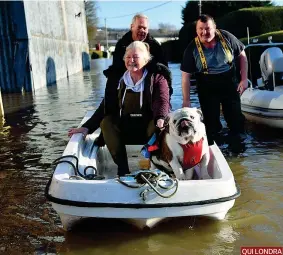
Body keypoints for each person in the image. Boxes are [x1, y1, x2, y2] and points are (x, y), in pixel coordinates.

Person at [68, 41, 171, 176]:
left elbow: (162, 101)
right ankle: (122, 168)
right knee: (107, 122)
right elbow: (105, 106)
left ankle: (155, 164)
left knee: (158, 125)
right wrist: (86, 128)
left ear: (146, 60)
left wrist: (160, 118)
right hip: (125, 129)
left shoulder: (157, 78)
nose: (131, 60)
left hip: (148, 130)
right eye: (128, 57)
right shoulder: (117, 79)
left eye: (136, 57)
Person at [83, 14, 168, 146]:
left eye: (145, 28)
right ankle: (106, 135)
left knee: (160, 109)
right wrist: (89, 127)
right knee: (111, 106)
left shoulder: (155, 47)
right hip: (126, 97)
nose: (143, 31)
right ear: (131, 27)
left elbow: (164, 79)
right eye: (139, 27)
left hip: (151, 91)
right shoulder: (121, 45)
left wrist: (161, 116)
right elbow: (112, 84)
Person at [181, 14, 248, 150]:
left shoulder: (227, 37)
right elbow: (185, 76)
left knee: (236, 120)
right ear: (196, 30)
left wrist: (244, 79)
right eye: (201, 29)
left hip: (229, 82)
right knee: (211, 125)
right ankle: (216, 150)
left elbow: (242, 55)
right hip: (207, 85)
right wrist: (186, 100)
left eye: (207, 29)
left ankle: (238, 152)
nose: (204, 32)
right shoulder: (191, 48)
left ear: (215, 28)